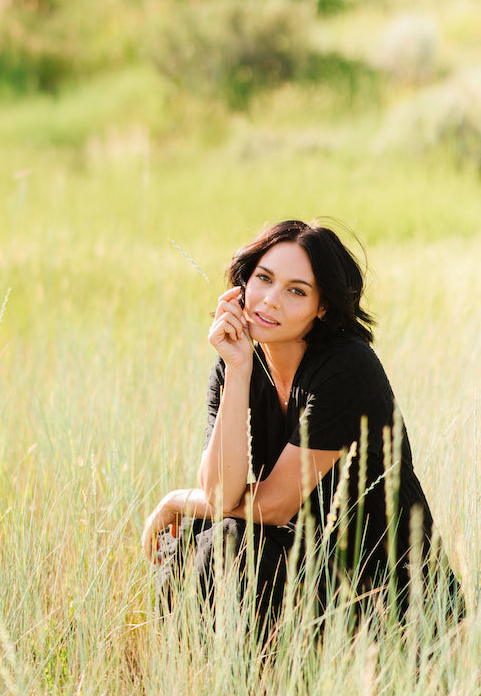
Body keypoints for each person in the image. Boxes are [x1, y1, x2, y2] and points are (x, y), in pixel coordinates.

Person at [141, 219, 462, 638]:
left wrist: (176, 499)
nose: (271, 301)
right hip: (303, 556)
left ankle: (259, 682)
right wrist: (237, 371)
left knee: (226, 537)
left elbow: (273, 507)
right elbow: (221, 494)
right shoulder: (236, 363)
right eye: (264, 279)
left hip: (379, 581)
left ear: (322, 307)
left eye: (297, 291)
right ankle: (215, 684)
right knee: (197, 534)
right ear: (242, 287)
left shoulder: (347, 367)